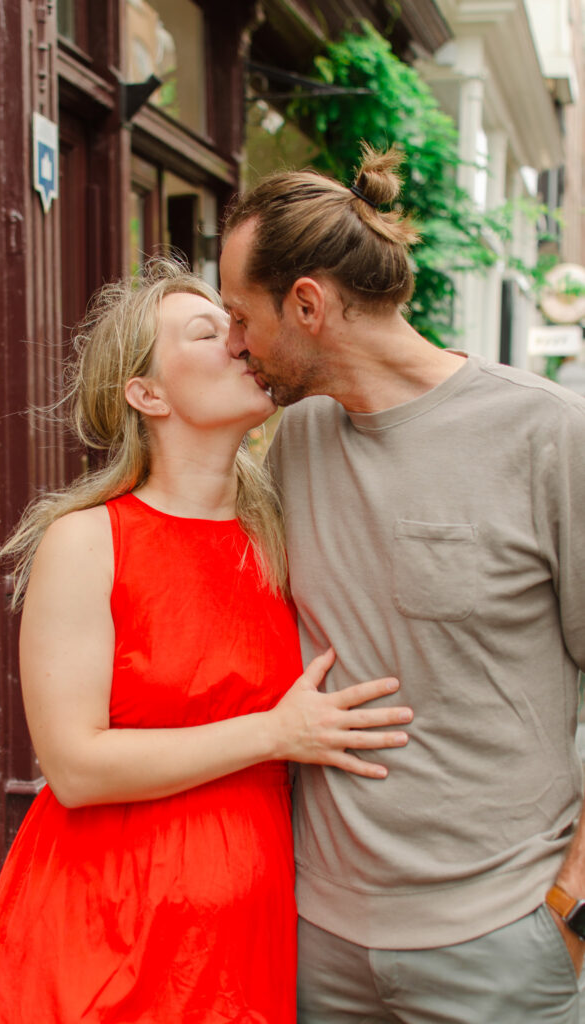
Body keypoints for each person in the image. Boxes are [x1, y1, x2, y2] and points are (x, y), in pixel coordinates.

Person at [0, 260, 413, 1024]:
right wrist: (273, 733)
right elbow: (74, 768)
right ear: (147, 393)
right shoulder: (88, 541)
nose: (240, 342)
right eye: (209, 330)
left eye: (238, 326)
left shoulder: (285, 538)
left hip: (246, 935)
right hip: (101, 930)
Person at [219, 145, 585, 1023]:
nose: (235, 346)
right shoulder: (292, 436)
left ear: (305, 305)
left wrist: (572, 910)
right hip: (316, 942)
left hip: (502, 940)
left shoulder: (548, 433)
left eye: (240, 320)